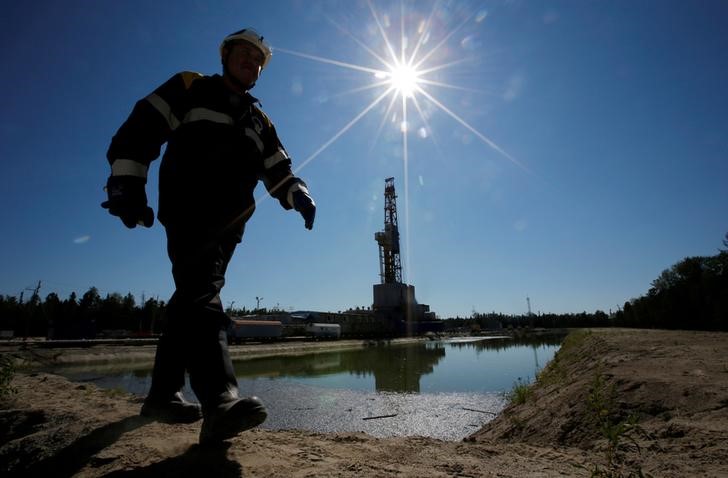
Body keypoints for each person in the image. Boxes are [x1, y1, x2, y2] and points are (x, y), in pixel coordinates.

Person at [102, 28, 316, 445]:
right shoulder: (190, 87)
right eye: (243, 54)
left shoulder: (259, 120)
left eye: (257, 60)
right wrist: (126, 184)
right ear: (225, 56)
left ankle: (162, 395)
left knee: (191, 300)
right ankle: (220, 400)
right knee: (203, 294)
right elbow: (141, 129)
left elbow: (279, 170)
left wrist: (298, 195)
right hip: (187, 208)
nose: (250, 62)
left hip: (231, 225)